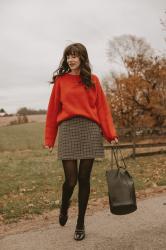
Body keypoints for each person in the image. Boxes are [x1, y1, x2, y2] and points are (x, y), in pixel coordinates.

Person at [44, 42, 118, 241]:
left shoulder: (92, 80)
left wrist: (110, 134)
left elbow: (102, 109)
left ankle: (80, 223)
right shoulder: (61, 81)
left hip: (90, 130)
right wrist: (49, 139)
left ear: (82, 58)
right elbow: (52, 111)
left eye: (75, 55)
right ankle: (64, 205)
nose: (71, 59)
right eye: (68, 56)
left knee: (84, 179)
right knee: (71, 180)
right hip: (68, 129)